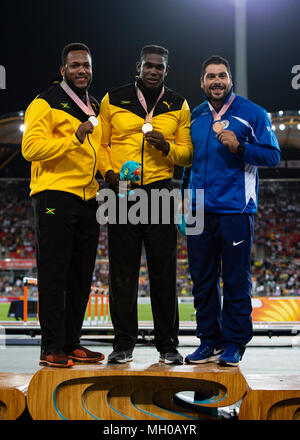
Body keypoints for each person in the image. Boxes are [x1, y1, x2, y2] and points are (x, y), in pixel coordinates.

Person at [183, 55, 281, 366]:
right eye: (210, 76)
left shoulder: (252, 114)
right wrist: (184, 206)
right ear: (202, 82)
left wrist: (241, 148)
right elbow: (190, 165)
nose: (216, 81)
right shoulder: (196, 117)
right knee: (202, 280)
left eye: (222, 75)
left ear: (230, 79)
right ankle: (208, 341)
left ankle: (234, 342)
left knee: (236, 280)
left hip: (236, 210)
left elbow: (273, 155)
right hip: (198, 211)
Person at [99, 44, 193, 364]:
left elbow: (188, 154)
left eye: (160, 67)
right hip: (121, 191)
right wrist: (109, 175)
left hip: (161, 191)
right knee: (122, 273)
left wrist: (166, 147)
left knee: (163, 272)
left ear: (167, 70)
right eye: (149, 65)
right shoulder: (114, 99)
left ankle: (167, 345)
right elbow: (100, 145)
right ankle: (123, 344)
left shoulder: (178, 104)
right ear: (138, 66)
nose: (154, 71)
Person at [22, 42, 105, 367]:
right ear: (63, 71)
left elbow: (95, 153)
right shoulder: (45, 102)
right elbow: (30, 148)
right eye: (74, 66)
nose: (81, 70)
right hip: (54, 196)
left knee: (81, 276)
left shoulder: (93, 105)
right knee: (55, 274)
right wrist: (74, 138)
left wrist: (110, 174)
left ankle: (71, 342)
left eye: (86, 65)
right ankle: (51, 348)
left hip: (88, 198)